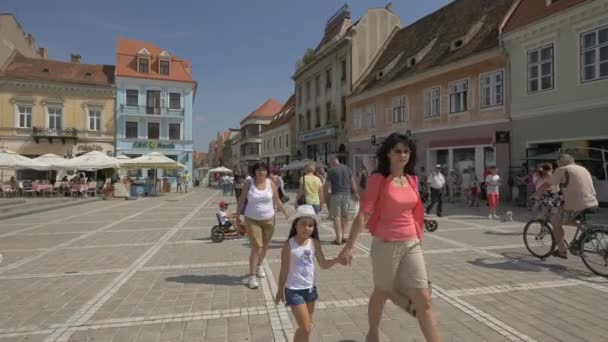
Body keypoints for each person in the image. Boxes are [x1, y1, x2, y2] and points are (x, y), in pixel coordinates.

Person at [339, 133, 440, 342]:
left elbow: (411, 210)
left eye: (406, 151)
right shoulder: (379, 179)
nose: (402, 155)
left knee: (424, 299)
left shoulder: (412, 179)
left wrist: (422, 224)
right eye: (398, 151)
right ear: (388, 154)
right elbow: (364, 213)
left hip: (411, 243)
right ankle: (373, 333)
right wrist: (349, 246)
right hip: (386, 244)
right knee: (382, 291)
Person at [275, 205, 345, 342]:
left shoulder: (315, 243)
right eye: (303, 224)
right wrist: (279, 291)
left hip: (311, 289)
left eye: (310, 225)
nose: (306, 228)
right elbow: (284, 270)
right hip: (294, 291)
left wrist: (337, 260)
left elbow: (323, 264)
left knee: (306, 329)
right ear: (296, 225)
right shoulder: (288, 245)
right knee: (305, 327)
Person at [236, 162, 289, 289]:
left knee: (265, 246)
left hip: (269, 219)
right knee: (257, 247)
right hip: (251, 219)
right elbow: (242, 200)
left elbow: (276, 200)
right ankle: (252, 276)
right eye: (259, 170)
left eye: (264, 170)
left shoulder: (271, 183)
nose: (261, 172)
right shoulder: (249, 184)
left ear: (267, 171)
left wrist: (286, 213)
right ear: (254, 172)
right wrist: (237, 216)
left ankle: (259, 266)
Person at [538, 154, 598, 259]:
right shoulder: (583, 169)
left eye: (557, 163)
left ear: (562, 162)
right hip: (593, 203)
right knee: (568, 218)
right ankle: (588, 230)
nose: (557, 165)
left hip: (577, 205)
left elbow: (548, 185)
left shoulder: (562, 169)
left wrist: (534, 195)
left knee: (555, 220)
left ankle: (562, 250)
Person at [323, 156, 359, 245]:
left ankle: (338, 238)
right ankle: (343, 236)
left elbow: (326, 185)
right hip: (347, 195)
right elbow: (352, 182)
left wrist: (326, 196)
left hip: (336, 195)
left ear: (332, 163)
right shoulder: (347, 169)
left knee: (336, 217)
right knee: (344, 216)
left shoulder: (331, 170)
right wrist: (355, 193)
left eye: (330, 164)